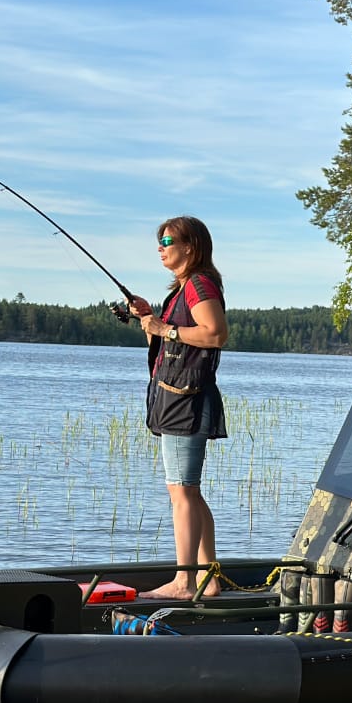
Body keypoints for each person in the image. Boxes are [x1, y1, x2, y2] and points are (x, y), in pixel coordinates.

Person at [126, 216, 229, 598]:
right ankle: (208, 578)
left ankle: (184, 582)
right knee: (190, 491)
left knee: (182, 493)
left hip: (187, 402)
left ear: (190, 246)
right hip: (178, 400)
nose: (161, 246)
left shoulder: (199, 284)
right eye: (160, 240)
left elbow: (215, 333)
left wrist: (164, 328)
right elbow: (178, 338)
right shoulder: (185, 289)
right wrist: (149, 317)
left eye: (167, 240)